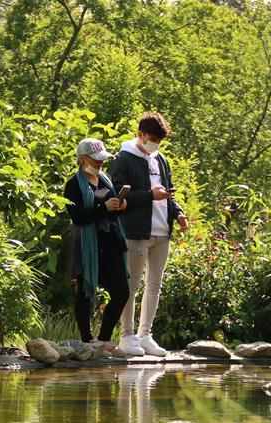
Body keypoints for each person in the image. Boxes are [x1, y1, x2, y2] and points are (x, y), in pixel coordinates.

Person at [110, 112, 189, 357]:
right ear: (141, 134)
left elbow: (169, 193)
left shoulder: (161, 159)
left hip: (162, 231)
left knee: (154, 285)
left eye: (159, 140)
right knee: (131, 285)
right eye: (152, 138)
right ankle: (127, 335)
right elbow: (119, 196)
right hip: (135, 230)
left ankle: (146, 335)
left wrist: (178, 213)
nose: (155, 143)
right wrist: (150, 196)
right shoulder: (124, 158)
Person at [63, 138, 129, 357]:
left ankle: (104, 339)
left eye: (102, 158)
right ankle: (86, 340)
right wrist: (103, 208)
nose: (100, 162)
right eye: (95, 158)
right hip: (87, 244)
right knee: (85, 292)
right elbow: (78, 217)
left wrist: (119, 206)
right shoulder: (73, 184)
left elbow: (112, 211)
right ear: (82, 159)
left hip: (111, 241)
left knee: (121, 292)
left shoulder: (105, 179)